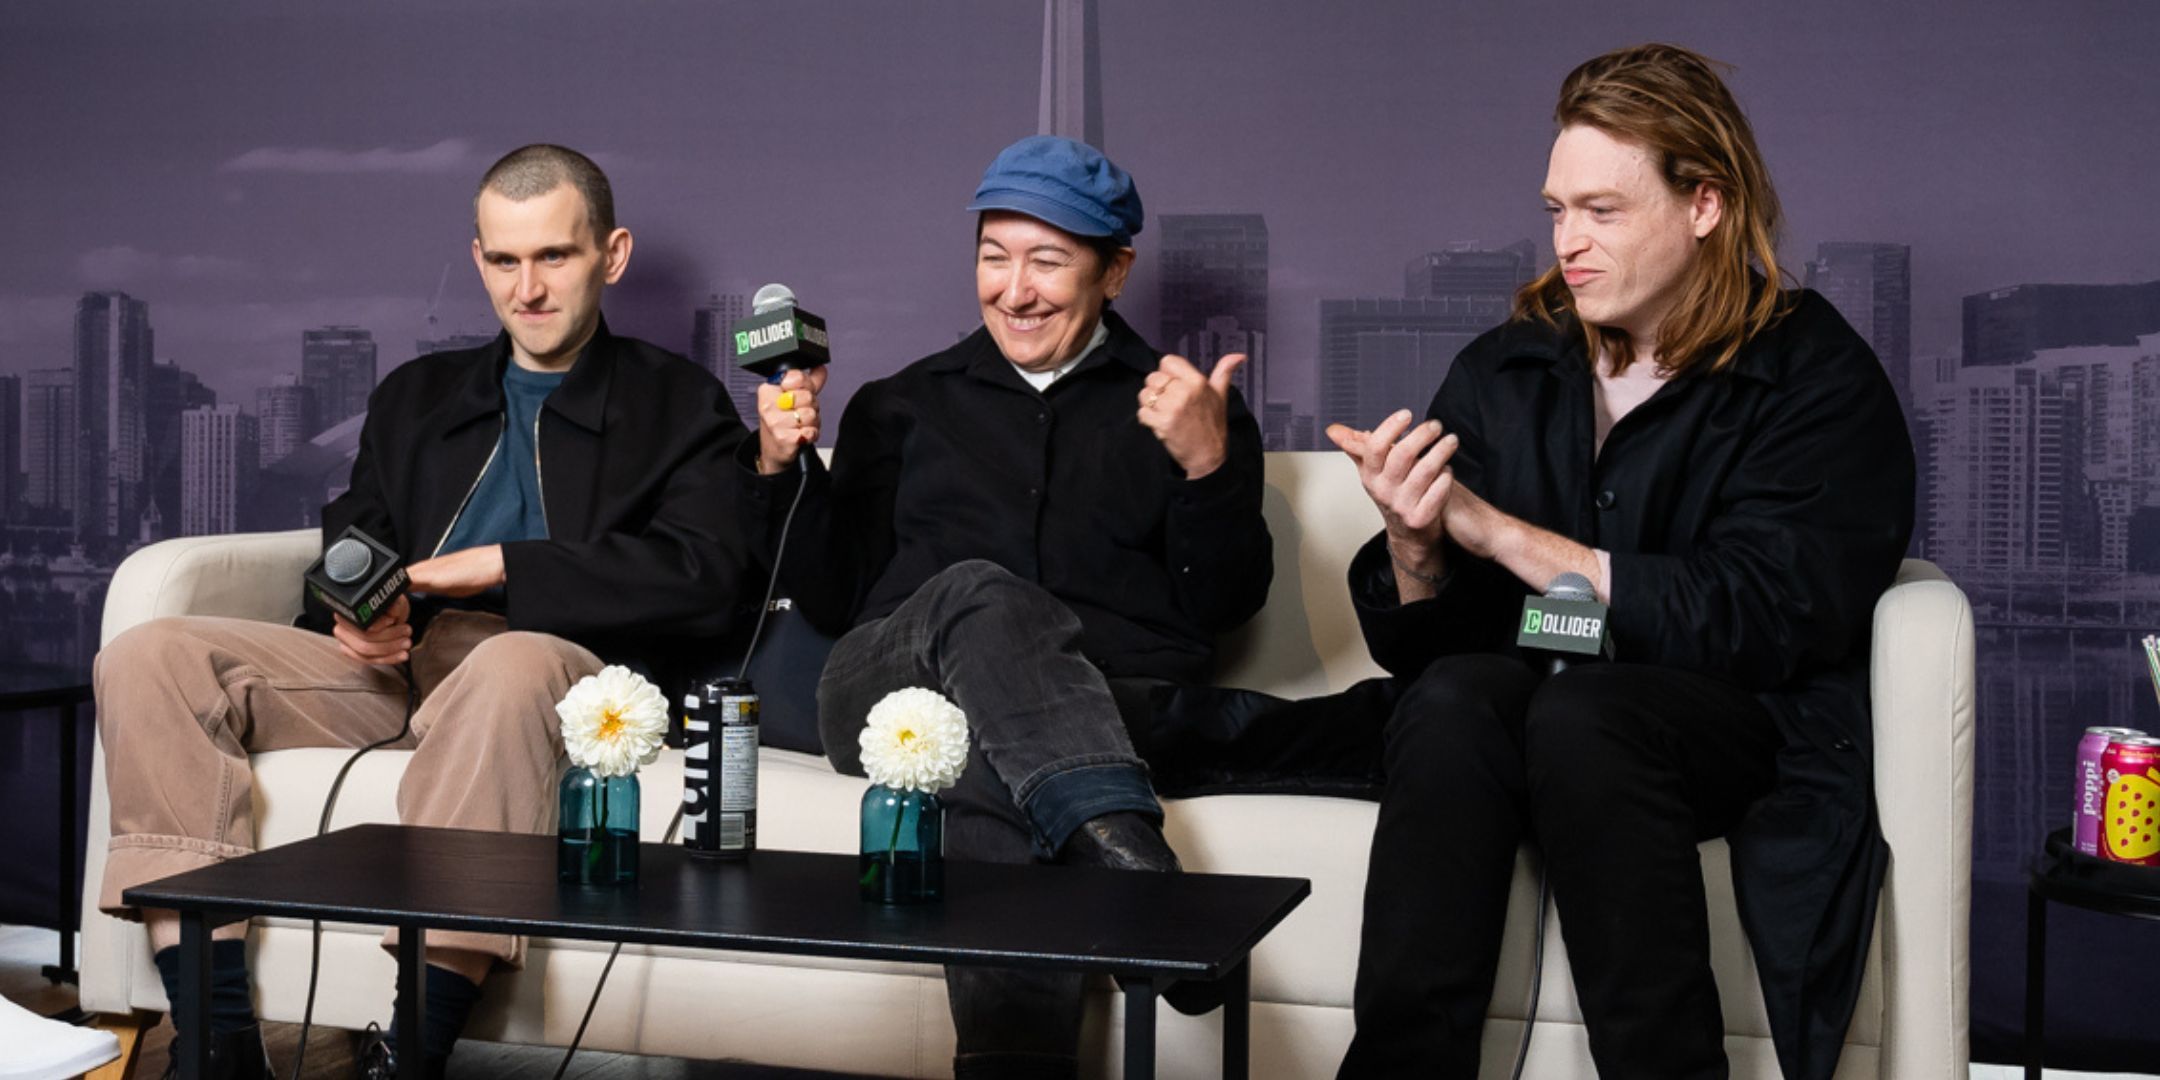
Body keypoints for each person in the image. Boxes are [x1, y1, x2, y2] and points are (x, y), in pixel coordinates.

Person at [93, 144, 754, 1080]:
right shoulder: (414, 396)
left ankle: (416, 1048)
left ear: (612, 255)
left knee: (510, 662)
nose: (527, 289)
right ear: (478, 257)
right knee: (151, 652)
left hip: (554, 669)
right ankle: (215, 1037)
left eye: (555, 257)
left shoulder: (679, 401)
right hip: (389, 670)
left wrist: (500, 566)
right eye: (504, 260)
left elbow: (706, 572)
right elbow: (351, 543)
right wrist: (349, 615)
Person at [1327, 45, 1914, 1080]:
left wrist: (1506, 536)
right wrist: (1420, 547)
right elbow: (1448, 639)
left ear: (1705, 204)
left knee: (1586, 714)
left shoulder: (1813, 375)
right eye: (1558, 211)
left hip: (1736, 710)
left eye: (1602, 211)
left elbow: (1766, 616)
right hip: (1556, 669)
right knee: (1457, 698)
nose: (1569, 242)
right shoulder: (1508, 365)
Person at [745, 134, 1271, 1078]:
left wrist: (1205, 466)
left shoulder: (1188, 411)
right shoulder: (902, 404)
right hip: (882, 693)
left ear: (1115, 271)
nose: (1014, 290)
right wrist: (784, 469)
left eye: (1048, 261)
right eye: (994, 258)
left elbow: (1220, 611)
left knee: (991, 758)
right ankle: (1134, 862)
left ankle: (1024, 1032)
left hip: (1098, 703)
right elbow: (828, 594)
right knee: (981, 591)